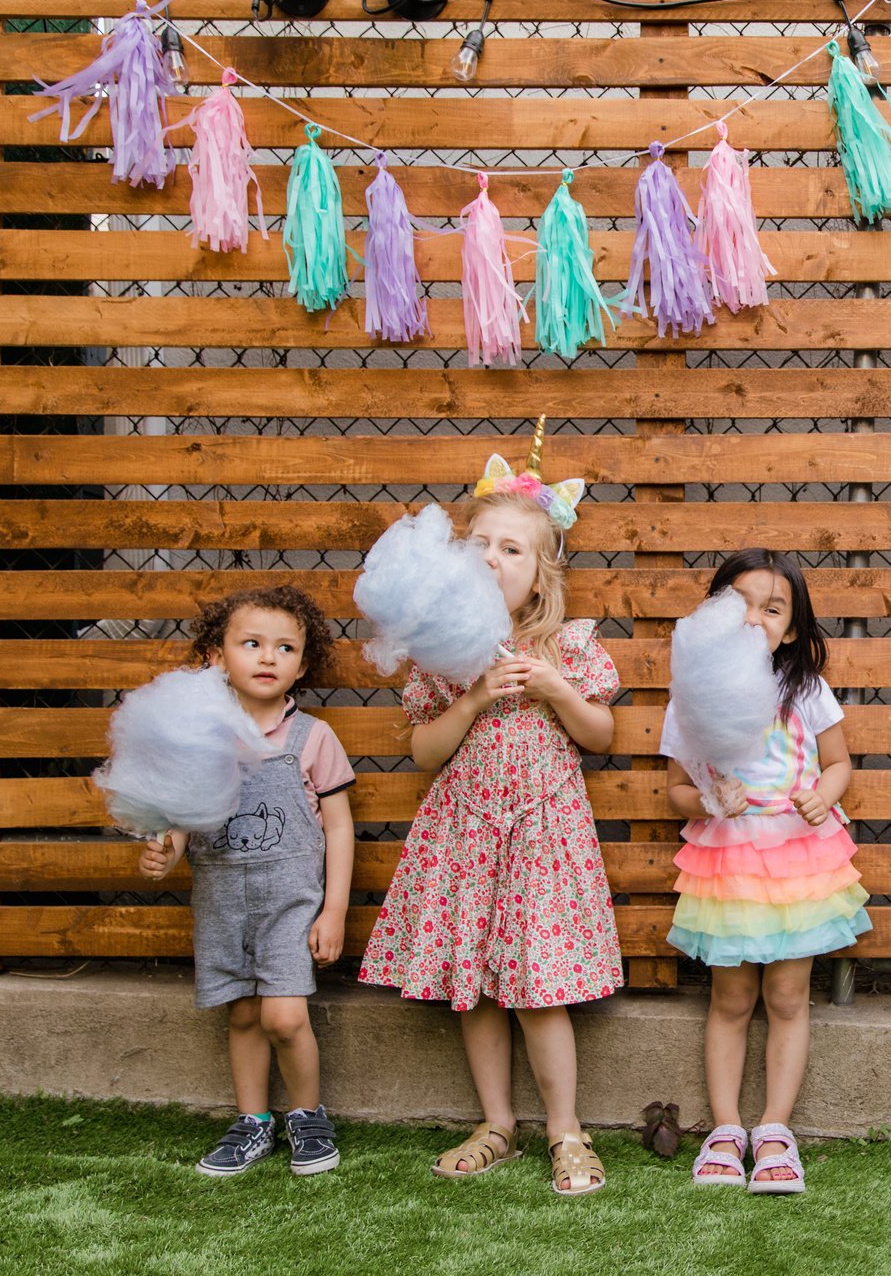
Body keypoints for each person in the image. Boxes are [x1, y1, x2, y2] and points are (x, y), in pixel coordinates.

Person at [358, 459, 622, 1195]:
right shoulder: (441, 654)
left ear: (540, 577)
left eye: (512, 549)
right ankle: (497, 1123)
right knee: (471, 986)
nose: (492, 558)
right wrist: (471, 698)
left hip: (542, 840)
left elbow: (600, 734)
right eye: (480, 544)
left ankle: (566, 1130)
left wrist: (556, 689)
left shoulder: (565, 646)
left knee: (541, 990)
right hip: (466, 837)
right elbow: (423, 751)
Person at [667, 550, 870, 1194]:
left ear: (790, 630)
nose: (754, 618)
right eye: (740, 603)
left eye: (772, 608)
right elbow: (675, 788)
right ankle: (725, 1129)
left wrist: (826, 794)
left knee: (787, 998)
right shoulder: (693, 692)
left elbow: (838, 764)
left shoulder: (805, 690)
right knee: (729, 1000)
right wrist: (706, 799)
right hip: (728, 859)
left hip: (797, 859)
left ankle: (775, 1129)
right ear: (713, 613)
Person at [139, 584, 355, 1178]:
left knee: (283, 1017)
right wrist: (166, 851)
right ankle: (253, 1122)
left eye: (285, 648)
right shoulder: (198, 737)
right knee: (241, 1015)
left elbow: (338, 828)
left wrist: (333, 909)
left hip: (290, 903)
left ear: (302, 666)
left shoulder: (314, 738)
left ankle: (308, 1115)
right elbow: (182, 820)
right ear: (216, 656)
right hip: (222, 903)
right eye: (252, 644)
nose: (267, 657)